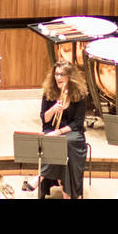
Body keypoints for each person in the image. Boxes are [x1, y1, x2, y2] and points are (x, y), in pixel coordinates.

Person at [37, 62, 88, 199]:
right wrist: (53, 109)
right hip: (51, 128)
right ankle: (67, 194)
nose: (58, 78)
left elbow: (77, 124)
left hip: (72, 132)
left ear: (70, 76)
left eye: (62, 74)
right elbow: (45, 119)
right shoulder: (48, 93)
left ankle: (40, 176)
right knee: (60, 146)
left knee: (65, 143)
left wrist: (58, 132)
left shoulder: (80, 95)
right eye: (56, 74)